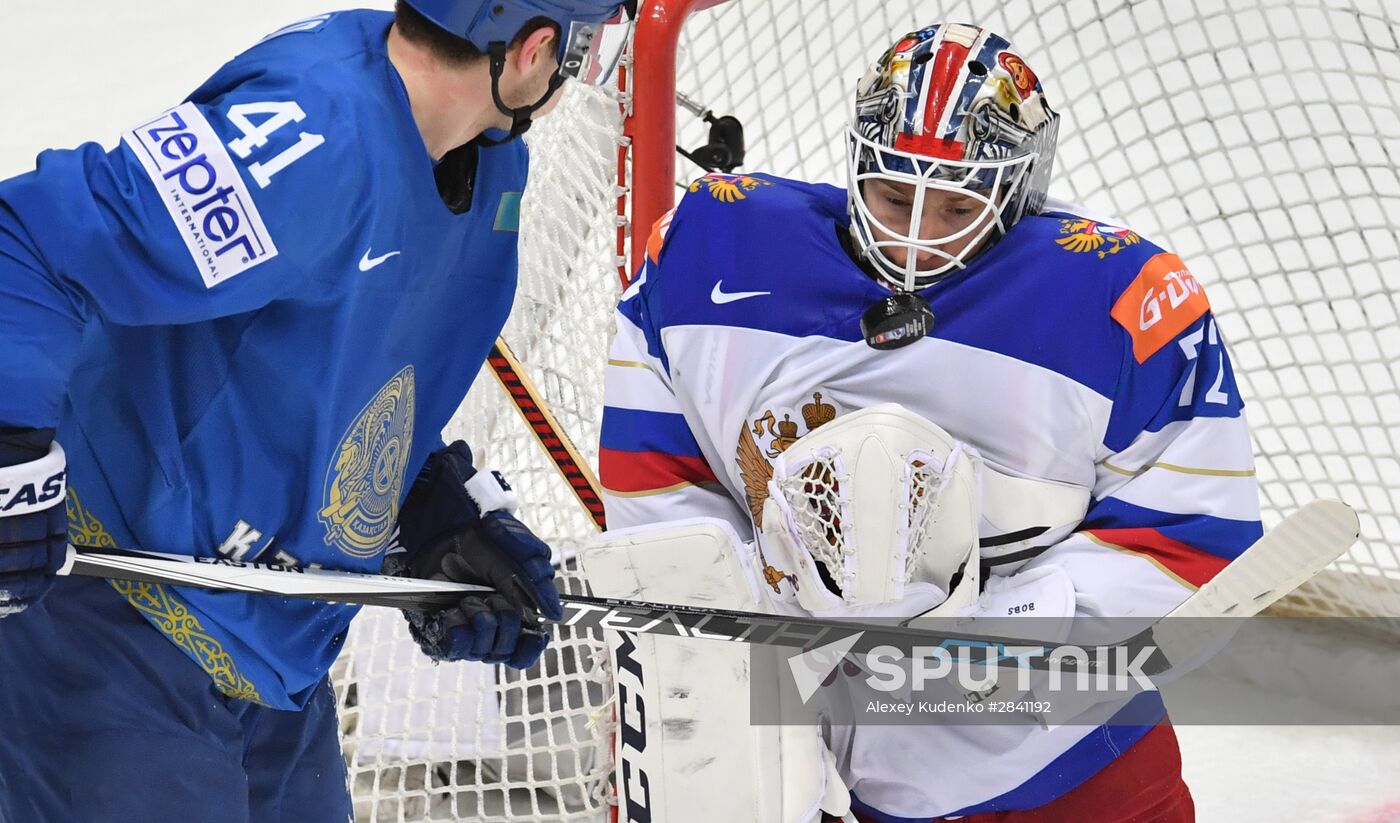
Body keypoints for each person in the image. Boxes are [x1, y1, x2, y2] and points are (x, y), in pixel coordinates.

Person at [596, 23, 1261, 823]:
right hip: (826, 767)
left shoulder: (1118, 300)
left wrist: (1003, 631)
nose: (916, 233)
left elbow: (1192, 530)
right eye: (893, 193)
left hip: (1069, 770)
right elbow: (656, 487)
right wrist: (760, 625)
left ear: (1017, 191)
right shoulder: (712, 251)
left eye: (956, 204)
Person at [0, 1, 633, 820]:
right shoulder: (314, 135)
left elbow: (335, 349)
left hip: (279, 643)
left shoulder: (489, 158)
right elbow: (29, 239)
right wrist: (10, 452)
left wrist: (428, 508)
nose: (583, 73)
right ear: (533, 48)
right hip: (114, 626)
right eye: (588, 47)